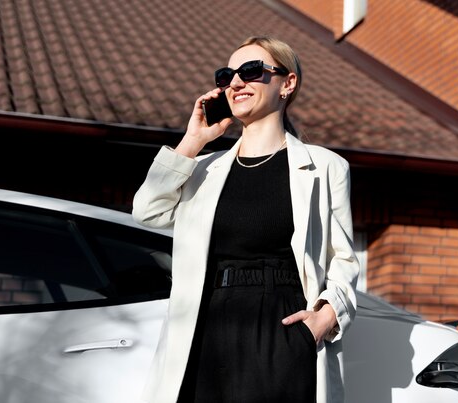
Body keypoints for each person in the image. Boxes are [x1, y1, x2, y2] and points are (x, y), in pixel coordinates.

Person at [132, 35, 359, 403]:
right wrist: (192, 141)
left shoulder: (325, 167)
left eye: (251, 71)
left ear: (288, 83)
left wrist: (326, 317)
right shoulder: (203, 168)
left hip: (282, 328)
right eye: (226, 75)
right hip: (207, 325)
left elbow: (344, 259)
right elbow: (147, 211)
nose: (235, 82)